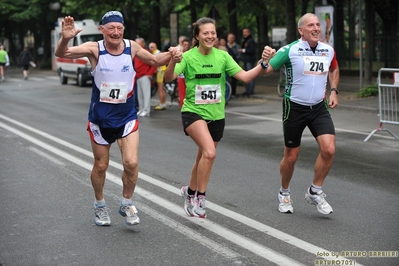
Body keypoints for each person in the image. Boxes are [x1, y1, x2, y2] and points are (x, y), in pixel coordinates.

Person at [55, 11, 182, 226]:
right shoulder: (95, 49)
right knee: (101, 165)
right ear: (103, 30)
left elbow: (154, 60)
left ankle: (126, 203)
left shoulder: (131, 47)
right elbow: (63, 52)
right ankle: (100, 205)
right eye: (111, 28)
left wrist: (174, 53)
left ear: (124, 29)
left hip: (126, 117)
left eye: (119, 28)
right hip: (100, 119)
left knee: (131, 162)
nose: (115, 32)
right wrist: (66, 37)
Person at [165, 17, 275, 218]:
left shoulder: (222, 57)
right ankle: (200, 198)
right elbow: (169, 77)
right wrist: (173, 60)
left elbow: (246, 76)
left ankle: (188, 192)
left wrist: (264, 62)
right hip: (193, 111)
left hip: (216, 114)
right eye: (205, 33)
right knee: (209, 153)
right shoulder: (188, 57)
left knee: (202, 156)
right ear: (197, 36)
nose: (210, 36)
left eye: (213, 33)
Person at [260, 13, 339, 215]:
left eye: (317, 25)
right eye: (310, 25)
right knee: (291, 157)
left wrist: (334, 91)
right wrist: (264, 60)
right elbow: (267, 69)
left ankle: (315, 191)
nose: (315, 28)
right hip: (294, 107)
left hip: (319, 107)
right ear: (301, 30)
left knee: (329, 150)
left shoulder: (327, 50)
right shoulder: (290, 50)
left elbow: (334, 69)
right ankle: (284, 192)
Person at [135, 38, 157, 117]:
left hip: (144, 75)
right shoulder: (136, 53)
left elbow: (154, 63)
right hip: (138, 76)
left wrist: (150, 73)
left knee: (146, 94)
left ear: (143, 44)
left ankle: (146, 110)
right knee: (140, 95)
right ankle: (141, 109)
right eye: (136, 43)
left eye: (138, 43)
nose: (137, 44)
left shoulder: (146, 52)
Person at [238, 28, 257, 96]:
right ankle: (247, 89)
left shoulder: (251, 41)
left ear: (249, 33)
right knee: (246, 74)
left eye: (246, 32)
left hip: (250, 60)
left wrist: (243, 50)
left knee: (250, 74)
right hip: (246, 60)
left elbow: (252, 50)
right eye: (243, 32)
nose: (244, 34)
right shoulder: (245, 40)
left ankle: (250, 90)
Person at [149, 42, 167, 110]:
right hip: (162, 70)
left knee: (160, 88)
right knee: (162, 89)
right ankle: (163, 103)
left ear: (155, 47)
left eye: (152, 47)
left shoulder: (155, 53)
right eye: (150, 47)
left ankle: (162, 104)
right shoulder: (158, 52)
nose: (150, 48)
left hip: (160, 71)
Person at [177, 38, 191, 107]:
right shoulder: (179, 54)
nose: (186, 46)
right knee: (182, 94)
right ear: (182, 45)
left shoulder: (191, 53)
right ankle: (183, 107)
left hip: (189, 76)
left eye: (188, 45)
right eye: (185, 44)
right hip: (181, 76)